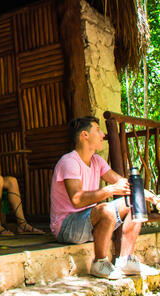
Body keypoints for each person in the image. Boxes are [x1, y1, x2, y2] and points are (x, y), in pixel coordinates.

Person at [50, 116, 160, 279]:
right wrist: (111, 190)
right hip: (66, 227)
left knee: (135, 201)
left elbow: (123, 184)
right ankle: (100, 263)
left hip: (88, 222)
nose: (103, 134)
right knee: (106, 210)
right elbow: (77, 200)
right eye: (98, 130)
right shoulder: (69, 162)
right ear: (85, 135)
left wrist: (152, 198)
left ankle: (126, 260)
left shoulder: (97, 161)